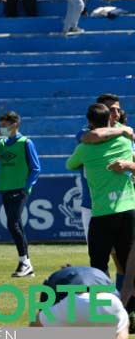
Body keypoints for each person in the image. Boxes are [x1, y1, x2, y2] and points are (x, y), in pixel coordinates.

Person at [67, 104, 135, 281]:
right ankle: (129, 306)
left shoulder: (84, 148)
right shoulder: (126, 141)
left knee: (98, 264)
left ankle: (104, 303)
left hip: (103, 212)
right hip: (129, 210)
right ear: (109, 119)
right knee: (128, 262)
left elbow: (71, 164)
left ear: (89, 122)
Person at [33, 265, 129, 339]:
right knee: (120, 329)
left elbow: (43, 320)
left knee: (35, 327)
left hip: (73, 302)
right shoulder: (98, 274)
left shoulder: (53, 278)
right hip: (108, 300)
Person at [0, 111, 41, 277]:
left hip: (19, 189)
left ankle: (24, 262)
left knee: (12, 223)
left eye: (4, 126)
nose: (1, 129)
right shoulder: (1, 143)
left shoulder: (25, 142)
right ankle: (27, 264)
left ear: (14, 125)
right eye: (0, 126)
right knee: (15, 225)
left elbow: (35, 168)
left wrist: (26, 187)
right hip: (5, 188)